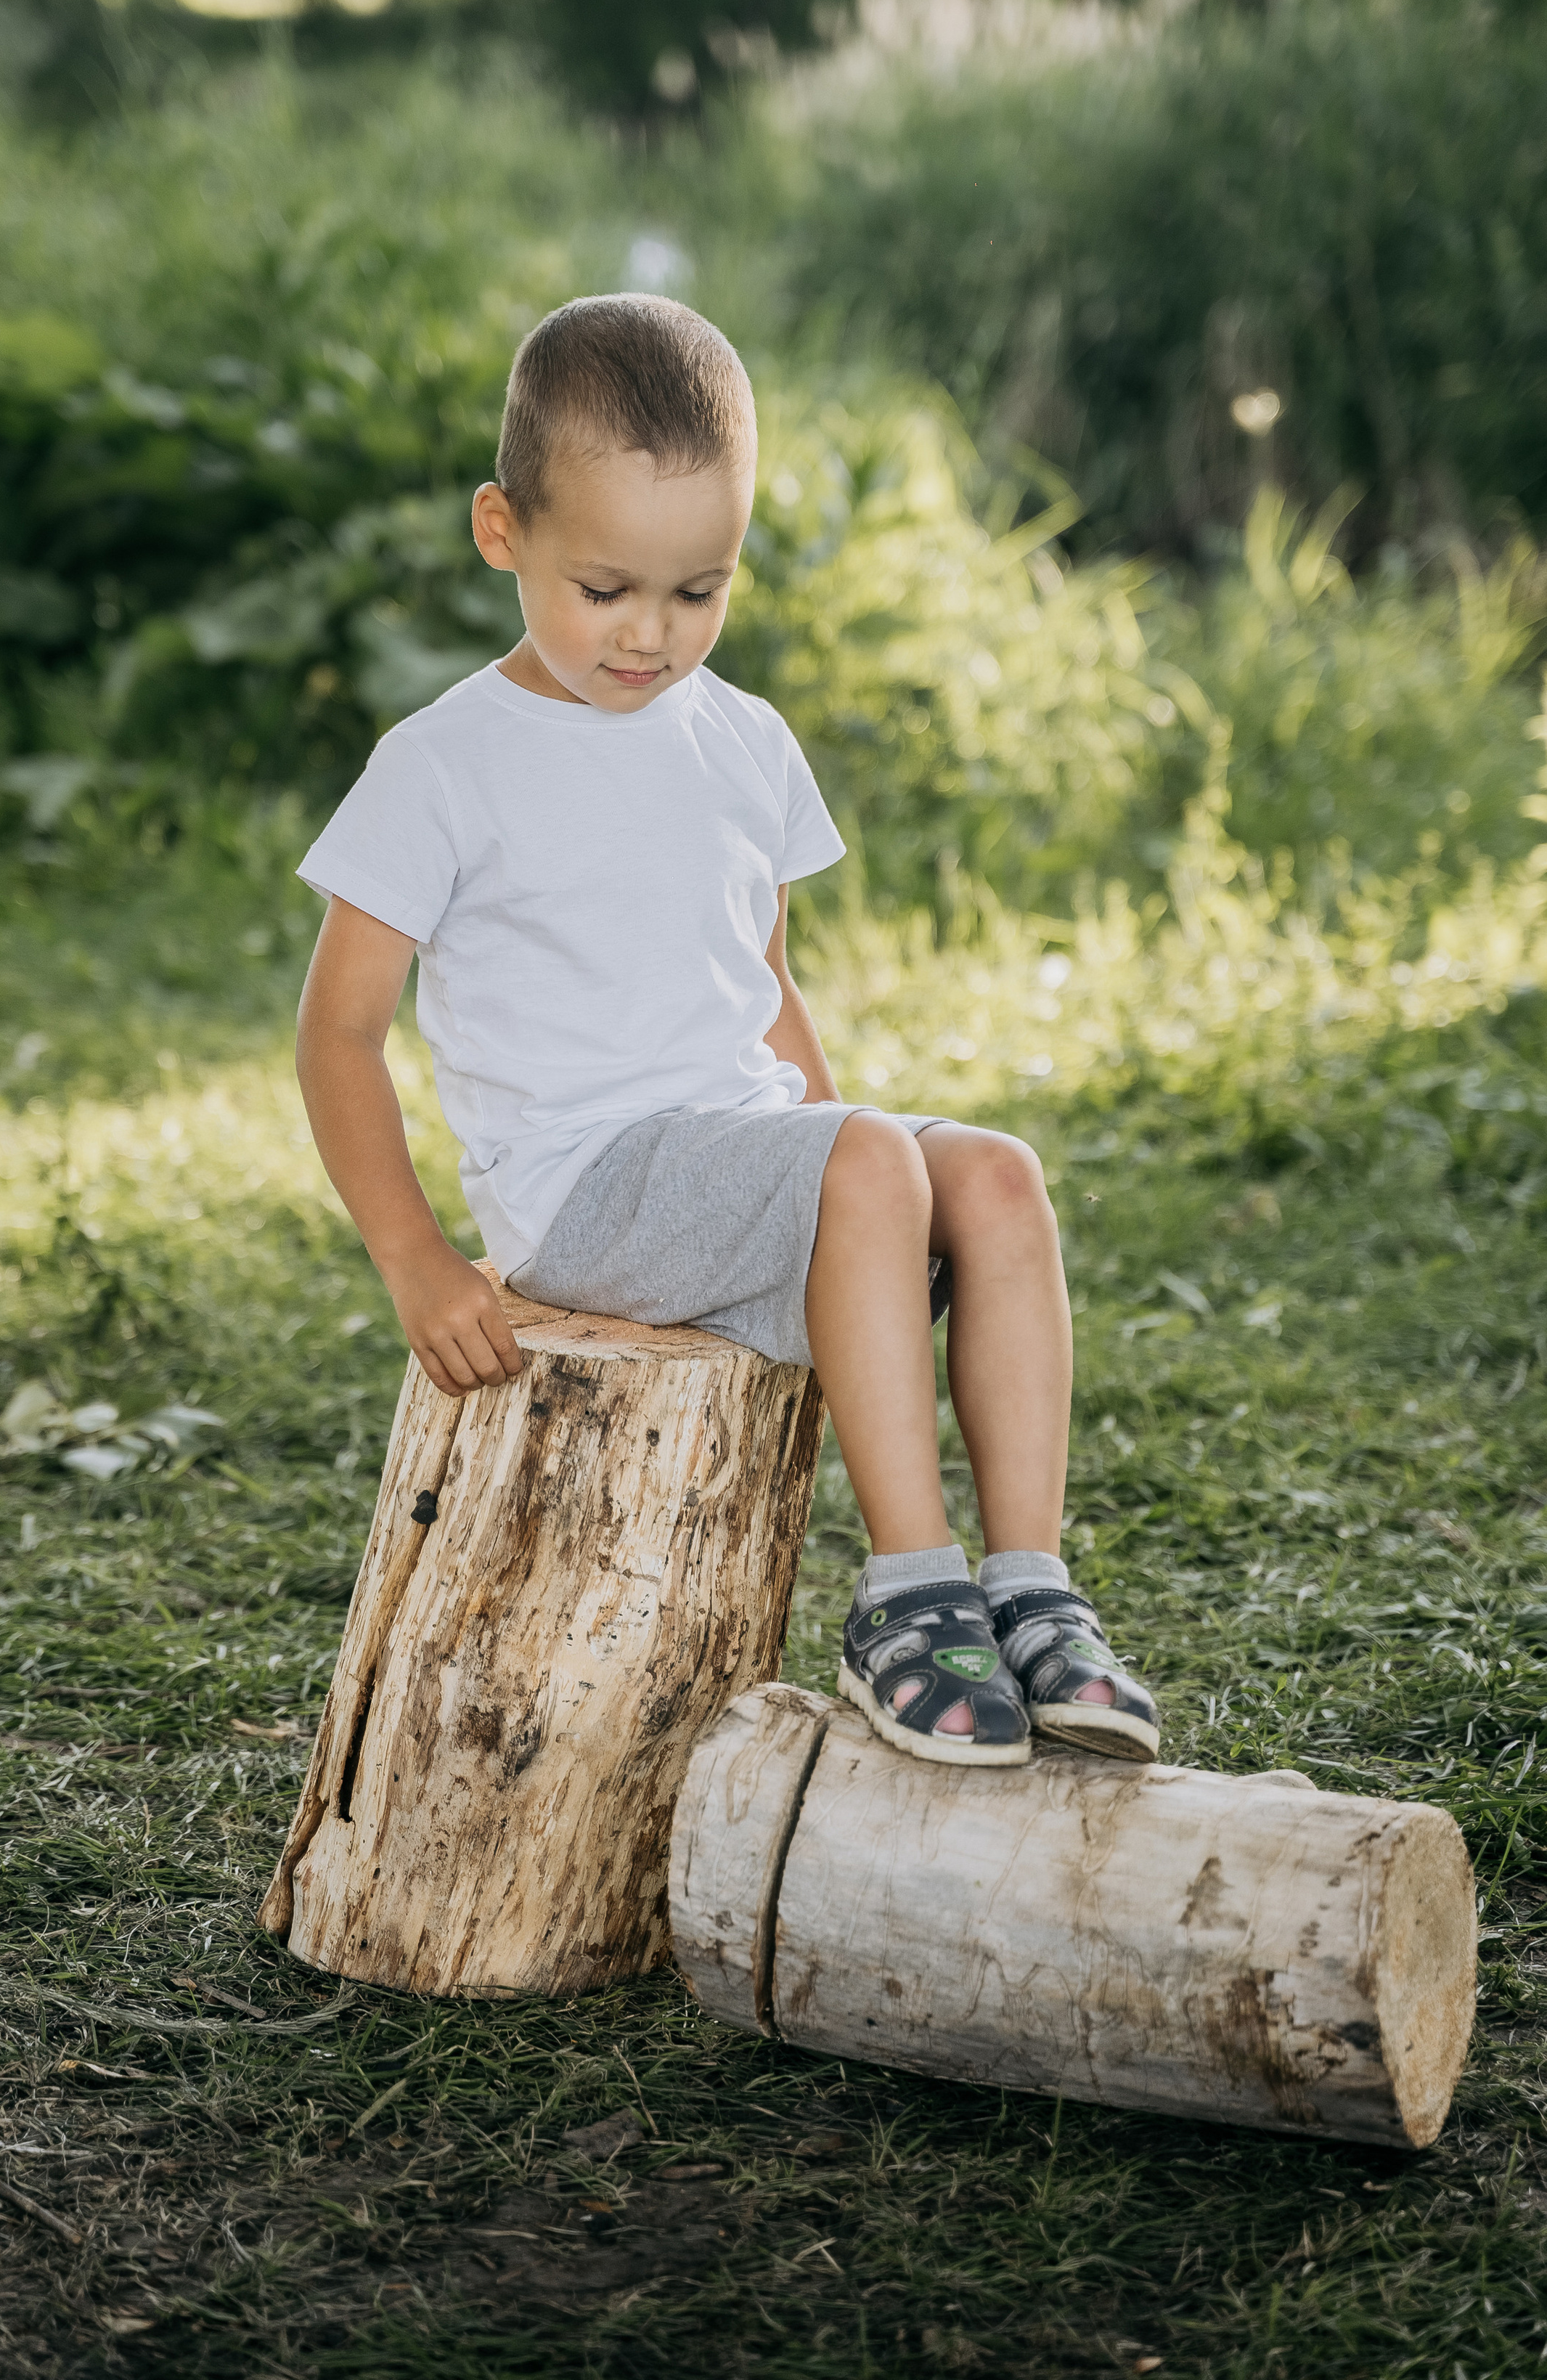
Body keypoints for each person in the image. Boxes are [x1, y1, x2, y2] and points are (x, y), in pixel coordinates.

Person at [293, 294, 1158, 1769]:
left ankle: (1030, 1590)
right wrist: (417, 1259)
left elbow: (760, 980)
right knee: (870, 1159)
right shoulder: (443, 764)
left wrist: (856, 1181)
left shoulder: (743, 738)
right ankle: (908, 1597)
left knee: (999, 1176)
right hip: (586, 1188)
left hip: (736, 1150)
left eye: (698, 592)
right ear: (502, 531)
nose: (651, 634)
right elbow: (336, 1036)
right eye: (606, 588)